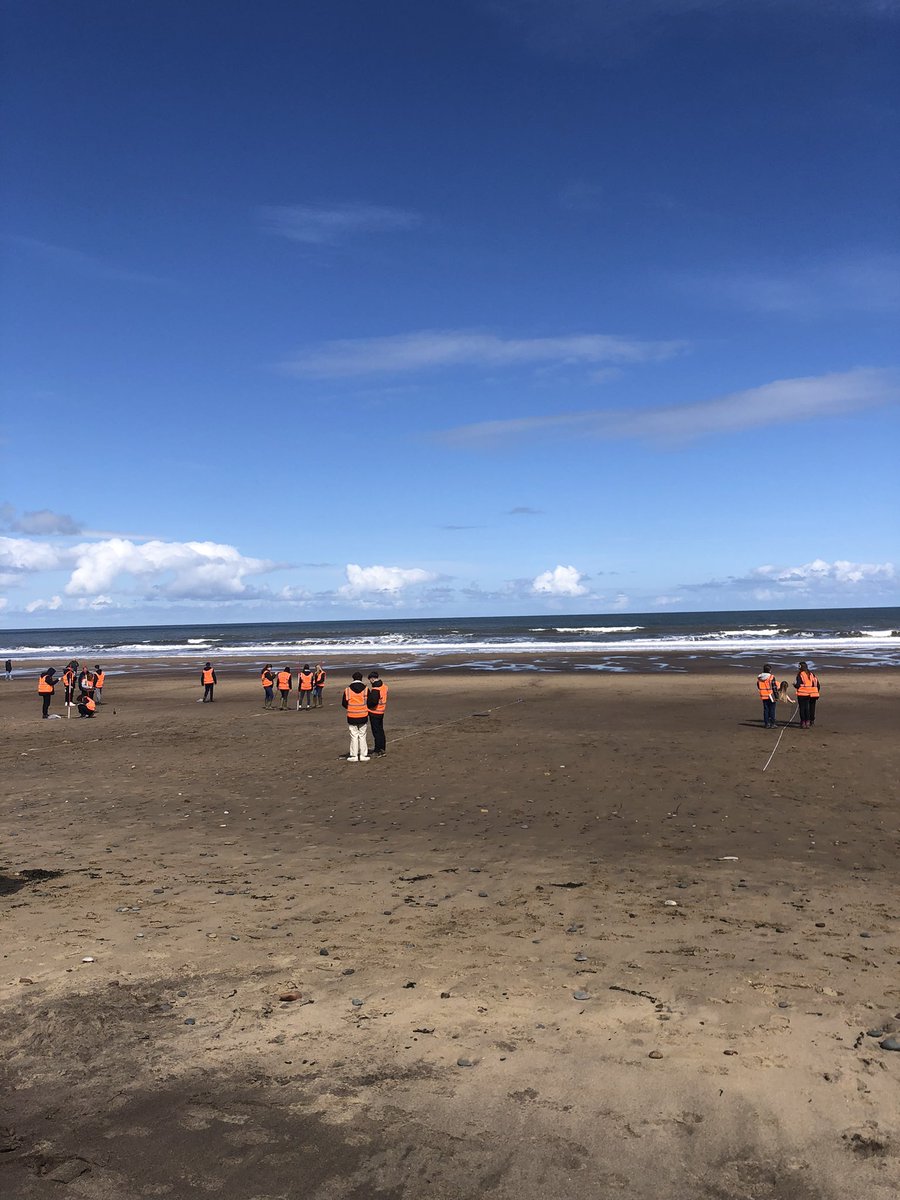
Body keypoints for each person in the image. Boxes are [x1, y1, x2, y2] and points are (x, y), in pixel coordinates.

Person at [342, 671, 370, 761]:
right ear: (361, 679)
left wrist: (350, 707)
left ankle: (354, 755)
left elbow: (344, 703)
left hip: (352, 716)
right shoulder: (366, 689)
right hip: (363, 715)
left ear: (353, 678)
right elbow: (369, 702)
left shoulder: (347, 690)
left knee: (354, 736)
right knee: (362, 736)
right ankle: (363, 755)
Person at [367, 669, 389, 755]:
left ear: (372, 679)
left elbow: (373, 702)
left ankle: (377, 750)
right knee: (380, 730)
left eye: (370, 680)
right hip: (381, 711)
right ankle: (382, 748)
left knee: (376, 732)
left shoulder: (376, 689)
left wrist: (367, 704)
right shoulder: (384, 686)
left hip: (375, 712)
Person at [794, 661, 820, 729]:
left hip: (802, 693)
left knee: (802, 709)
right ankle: (809, 721)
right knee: (809, 708)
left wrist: (795, 685)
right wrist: (817, 691)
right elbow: (817, 684)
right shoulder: (811, 674)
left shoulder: (800, 674)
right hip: (812, 693)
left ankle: (803, 722)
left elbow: (798, 685)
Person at [756, 664, 778, 729]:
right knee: (772, 710)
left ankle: (767, 724)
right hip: (771, 695)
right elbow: (774, 687)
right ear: (770, 670)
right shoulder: (771, 677)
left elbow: (758, 685)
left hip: (763, 695)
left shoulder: (759, 678)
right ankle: (772, 723)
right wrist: (776, 696)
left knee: (766, 710)